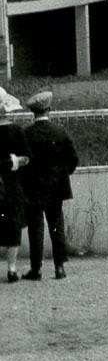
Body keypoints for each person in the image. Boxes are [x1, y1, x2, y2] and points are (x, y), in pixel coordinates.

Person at [19, 90, 78, 281]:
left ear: (33, 112)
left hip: (33, 188)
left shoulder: (26, 134)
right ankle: (59, 267)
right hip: (56, 187)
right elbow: (73, 158)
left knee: (35, 229)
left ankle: (35, 269)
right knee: (56, 226)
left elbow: (22, 162)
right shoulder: (60, 132)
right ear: (49, 109)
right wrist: (63, 174)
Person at [1, 104, 26, 283]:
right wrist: (14, 161)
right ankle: (11, 268)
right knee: (13, 224)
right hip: (12, 184)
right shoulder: (16, 131)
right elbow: (27, 157)